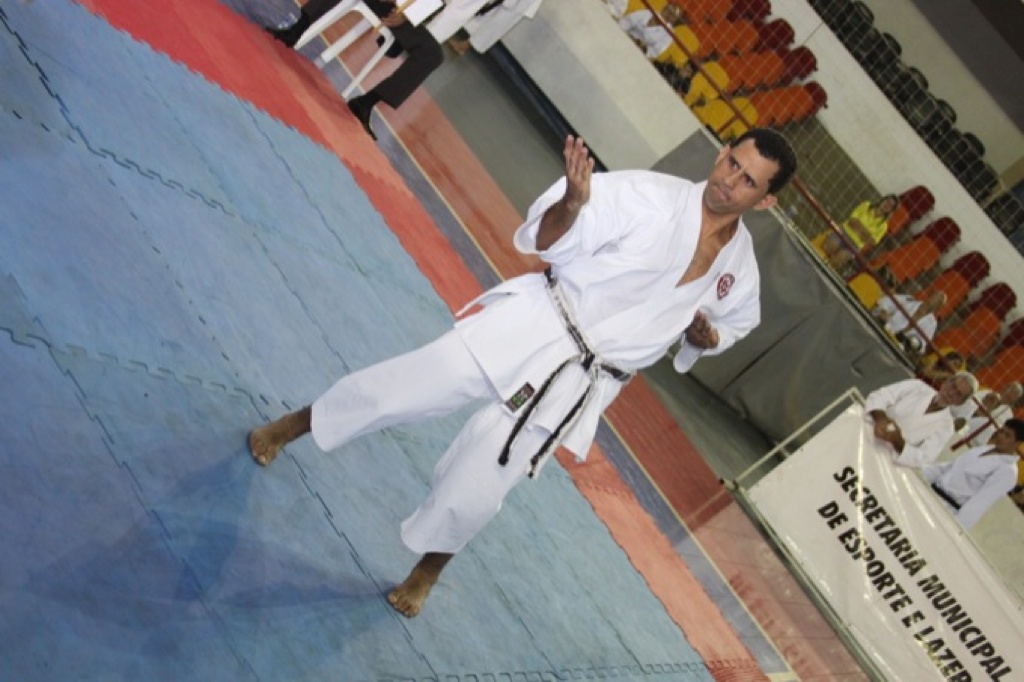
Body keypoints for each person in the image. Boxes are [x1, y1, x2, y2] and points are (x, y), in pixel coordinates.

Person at [247, 129, 797, 617]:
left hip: (580, 379)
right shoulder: (646, 195)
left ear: (766, 201)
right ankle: (297, 424)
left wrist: (708, 337)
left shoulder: (739, 269)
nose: (729, 182)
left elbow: (734, 324)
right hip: (540, 321)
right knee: (413, 384)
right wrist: (573, 204)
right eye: (732, 163)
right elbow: (548, 239)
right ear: (722, 153)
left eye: (748, 181)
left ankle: (428, 569)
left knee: (488, 476)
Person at [266, 0, 444, 140]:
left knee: (433, 54)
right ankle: (296, 30)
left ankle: (366, 102)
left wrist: (409, 14)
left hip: (400, 10)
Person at [923, 419, 1024, 529]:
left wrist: (955, 527)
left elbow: (980, 502)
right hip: (931, 489)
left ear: (1017, 443)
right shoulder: (985, 449)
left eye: (1007, 435)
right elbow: (950, 467)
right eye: (1001, 431)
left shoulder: (1008, 471)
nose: (1001, 436)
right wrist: (921, 472)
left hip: (946, 509)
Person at [866, 372, 977, 468]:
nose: (951, 393)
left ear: (960, 402)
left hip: (887, 460)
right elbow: (880, 396)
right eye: (953, 386)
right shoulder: (917, 387)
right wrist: (881, 418)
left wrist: (898, 442)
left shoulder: (946, 427)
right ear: (946, 382)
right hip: (868, 429)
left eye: (958, 394)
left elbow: (925, 458)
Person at [820, 194, 900, 271]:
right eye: (887, 201)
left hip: (854, 245)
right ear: (883, 200)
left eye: (891, 206)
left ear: (891, 211)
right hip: (843, 232)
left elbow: (871, 242)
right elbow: (852, 221)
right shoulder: (866, 206)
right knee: (828, 248)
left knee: (837, 261)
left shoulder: (883, 226)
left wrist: (859, 227)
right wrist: (865, 234)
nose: (887, 205)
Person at [872, 290, 946, 357]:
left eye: (939, 301)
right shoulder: (910, 300)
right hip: (882, 327)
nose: (935, 301)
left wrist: (912, 342)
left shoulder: (932, 323)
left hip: (897, 345)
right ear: (930, 296)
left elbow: (922, 344)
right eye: (936, 296)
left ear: (940, 307)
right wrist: (884, 311)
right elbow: (886, 301)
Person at [955, 382, 1023, 448]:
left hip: (972, 438)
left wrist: (988, 410)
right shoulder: (987, 392)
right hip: (958, 418)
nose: (1008, 391)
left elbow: (993, 431)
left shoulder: (1008, 416)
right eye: (1008, 387)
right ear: (1004, 387)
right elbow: (968, 401)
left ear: (1013, 400)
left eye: (1012, 394)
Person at [617, 2, 686, 60]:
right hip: (624, 36)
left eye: (672, 14)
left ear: (674, 19)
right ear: (664, 9)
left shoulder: (669, 35)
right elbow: (627, 21)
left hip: (638, 53)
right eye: (668, 10)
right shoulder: (648, 13)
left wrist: (643, 47)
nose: (668, 14)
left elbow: (654, 52)